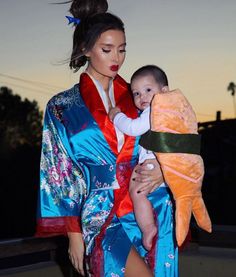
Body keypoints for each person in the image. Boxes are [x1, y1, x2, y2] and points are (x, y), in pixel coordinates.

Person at [37, 1, 178, 276]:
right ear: (85, 50)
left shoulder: (140, 97)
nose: (117, 58)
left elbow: (173, 136)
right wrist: (74, 236)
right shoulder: (62, 107)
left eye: (122, 49)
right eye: (107, 49)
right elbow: (58, 174)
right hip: (100, 214)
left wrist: (164, 170)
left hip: (150, 203)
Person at [109, 65, 212, 248]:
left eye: (148, 90)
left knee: (136, 192)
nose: (142, 97)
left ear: (164, 91)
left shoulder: (155, 109)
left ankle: (148, 228)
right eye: (136, 93)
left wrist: (116, 116)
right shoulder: (177, 111)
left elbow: (133, 128)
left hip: (152, 165)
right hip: (172, 169)